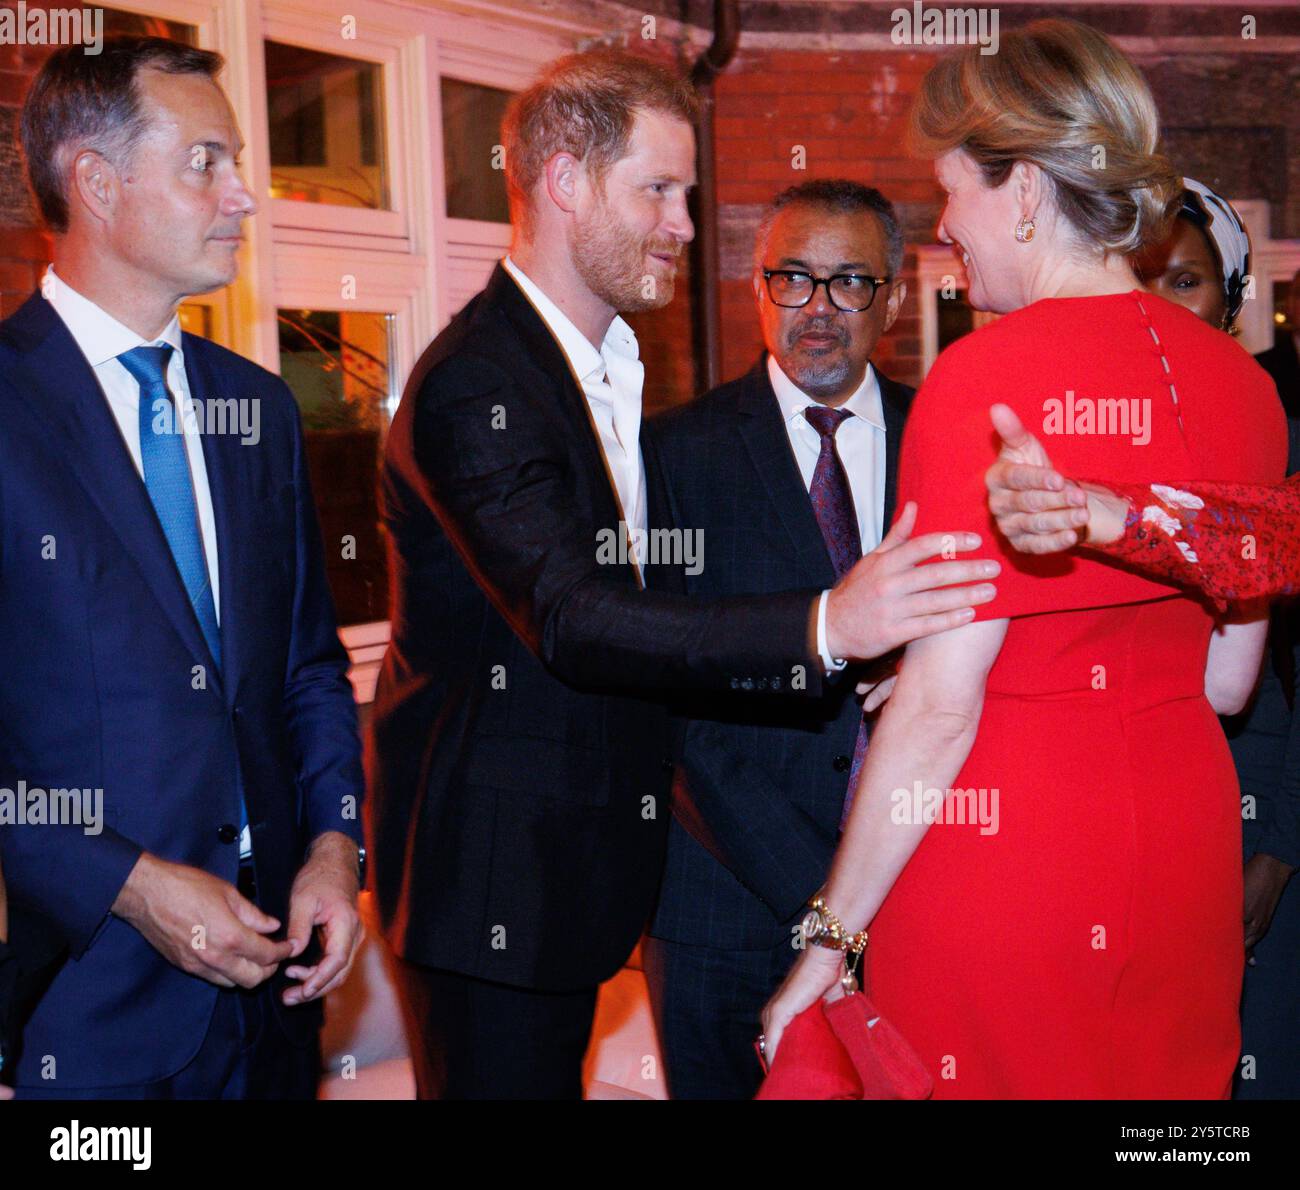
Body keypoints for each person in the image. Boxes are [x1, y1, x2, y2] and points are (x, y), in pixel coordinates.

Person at [368, 49, 998, 1100]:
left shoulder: (598, 362)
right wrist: (827, 625)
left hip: (570, 879)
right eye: (658, 190)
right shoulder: (481, 381)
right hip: (493, 888)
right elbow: (575, 616)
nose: (685, 225)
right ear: (565, 181)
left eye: (686, 194)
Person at [761, 18, 1285, 1098]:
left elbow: (940, 711)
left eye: (954, 190)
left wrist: (826, 935)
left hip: (1012, 861)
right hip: (1183, 852)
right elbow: (1226, 679)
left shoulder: (978, 379)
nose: (945, 225)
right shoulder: (1244, 384)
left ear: (1029, 194)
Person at [0, 37, 365, 1099]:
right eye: (206, 160)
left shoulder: (257, 406)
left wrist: (336, 846)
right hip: (83, 1006)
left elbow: (306, 667)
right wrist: (130, 883)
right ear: (98, 183)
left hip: (275, 1004)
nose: (243, 195)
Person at [644, 180, 915, 1099]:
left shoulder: (946, 443)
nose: (819, 311)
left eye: (850, 284)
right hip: (720, 906)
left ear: (897, 297)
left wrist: (868, 897)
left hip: (918, 896)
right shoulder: (671, 457)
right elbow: (669, 697)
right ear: (756, 289)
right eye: (792, 280)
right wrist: (829, 897)